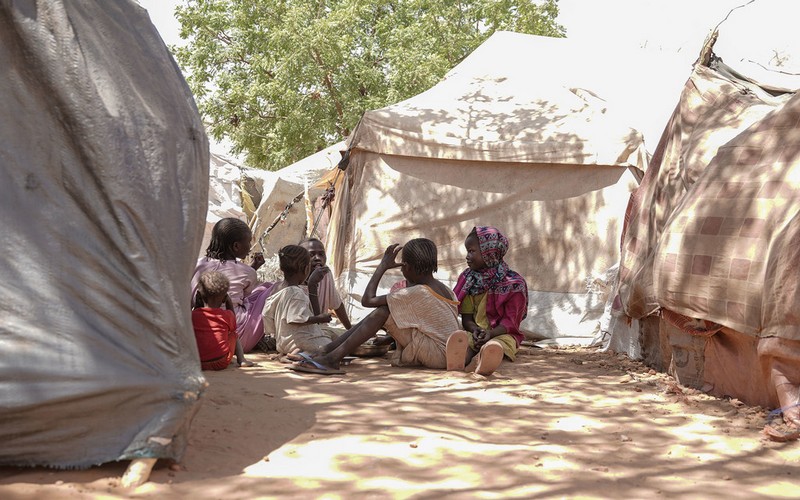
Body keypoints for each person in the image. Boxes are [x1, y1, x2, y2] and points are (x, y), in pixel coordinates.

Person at [291, 238, 460, 375]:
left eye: (402, 266)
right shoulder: (445, 290)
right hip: (447, 352)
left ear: (406, 267)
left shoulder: (419, 292)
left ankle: (331, 358)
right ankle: (325, 352)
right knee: (387, 309)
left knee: (383, 311)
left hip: (439, 355)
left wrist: (382, 267)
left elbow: (368, 300)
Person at [446, 226, 528, 376]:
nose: (467, 256)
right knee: (466, 340)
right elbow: (467, 318)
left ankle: (485, 358)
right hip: (475, 332)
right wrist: (475, 330)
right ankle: (462, 361)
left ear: (489, 253)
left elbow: (510, 322)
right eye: (467, 251)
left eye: (472, 251)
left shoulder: (514, 284)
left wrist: (490, 334)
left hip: (502, 333)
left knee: (499, 344)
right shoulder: (468, 280)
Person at [191, 218, 273, 353]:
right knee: (270, 288)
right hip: (237, 337)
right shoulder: (248, 272)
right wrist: (252, 269)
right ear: (236, 246)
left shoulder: (198, 264)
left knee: (260, 291)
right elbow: (244, 296)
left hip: (199, 334)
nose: (250, 246)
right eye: (248, 242)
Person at [262, 245, 339, 355]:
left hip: (283, 344)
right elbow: (295, 318)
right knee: (338, 346)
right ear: (305, 268)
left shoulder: (276, 293)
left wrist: (274, 333)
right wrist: (319, 318)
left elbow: (266, 315)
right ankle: (304, 356)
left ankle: (299, 355)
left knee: (330, 333)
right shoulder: (296, 293)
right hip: (301, 343)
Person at [191, 271, 252, 369]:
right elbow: (233, 325)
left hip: (197, 362)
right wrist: (229, 303)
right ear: (224, 299)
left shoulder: (192, 316)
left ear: (199, 295)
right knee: (233, 334)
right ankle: (242, 360)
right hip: (221, 362)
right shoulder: (227, 315)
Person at [299, 237, 352, 329]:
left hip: (321, 330)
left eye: (321, 254)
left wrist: (350, 329)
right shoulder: (294, 283)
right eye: (311, 254)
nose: (318, 258)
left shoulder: (325, 274)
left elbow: (337, 304)